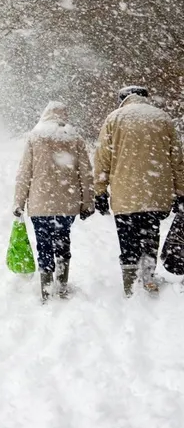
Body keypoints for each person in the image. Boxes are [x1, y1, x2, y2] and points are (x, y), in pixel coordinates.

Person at [93, 86, 184, 296]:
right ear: (145, 98)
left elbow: (102, 160)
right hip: (155, 193)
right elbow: (177, 161)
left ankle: (129, 283)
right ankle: (148, 279)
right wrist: (181, 192)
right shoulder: (163, 119)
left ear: (123, 99)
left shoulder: (114, 119)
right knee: (150, 235)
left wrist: (100, 191)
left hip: (124, 194)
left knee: (128, 239)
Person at [14, 102, 94, 301]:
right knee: (63, 240)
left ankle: (46, 288)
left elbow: (25, 172)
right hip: (67, 204)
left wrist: (19, 202)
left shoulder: (35, 136)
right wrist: (88, 202)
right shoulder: (74, 137)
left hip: (40, 203)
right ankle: (62, 284)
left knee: (44, 244)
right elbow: (86, 173)